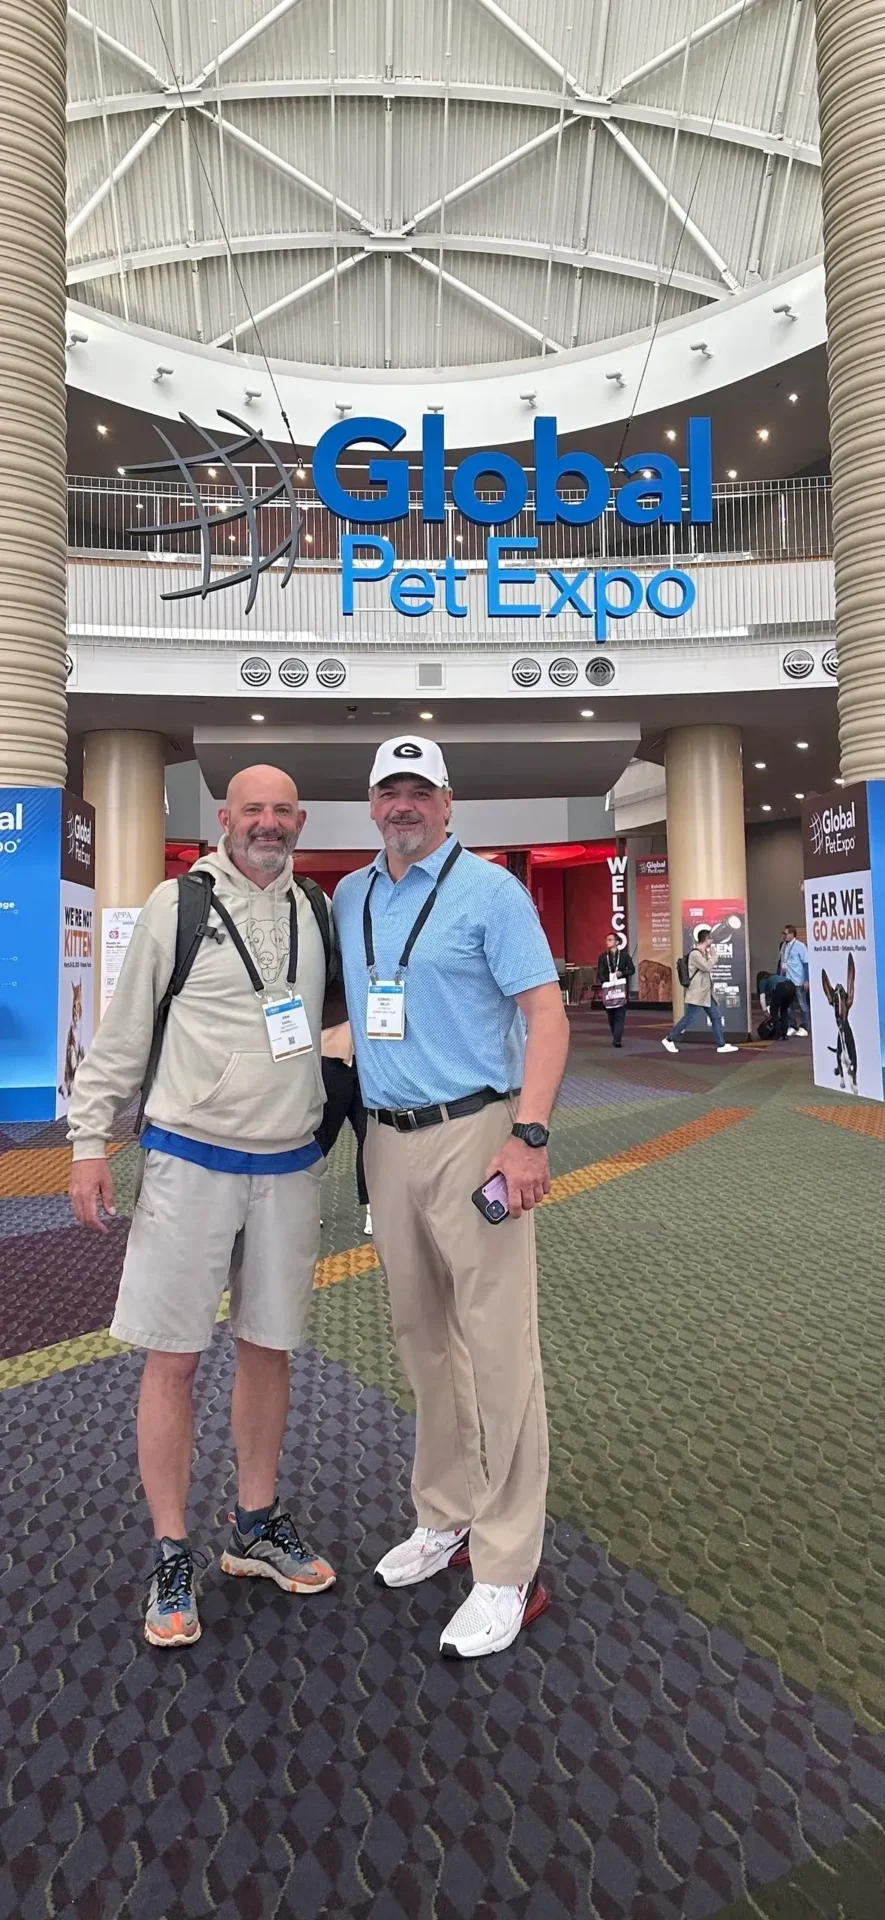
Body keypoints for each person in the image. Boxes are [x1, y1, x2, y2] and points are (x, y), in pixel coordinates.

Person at [67, 766, 336, 1649]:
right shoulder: (175, 905)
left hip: (290, 1166)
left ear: (298, 821)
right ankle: (171, 1549)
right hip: (188, 1160)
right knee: (173, 1359)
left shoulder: (316, 910)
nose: (267, 823)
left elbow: (323, 1027)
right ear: (226, 819)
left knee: (269, 1348)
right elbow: (122, 1031)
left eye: (280, 811)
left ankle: (255, 1524)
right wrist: (87, 1144)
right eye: (250, 809)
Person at [333, 736, 570, 1661]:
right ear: (371, 803)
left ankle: (507, 1567)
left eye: (418, 790)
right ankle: (446, 1512)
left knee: (499, 1344)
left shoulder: (489, 893)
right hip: (386, 1142)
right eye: (389, 790)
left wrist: (530, 1134)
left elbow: (545, 1014)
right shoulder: (351, 896)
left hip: (478, 1135)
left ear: (447, 801)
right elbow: (358, 1016)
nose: (403, 805)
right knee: (422, 1338)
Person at [316, 1020, 371, 1234]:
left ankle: (373, 1210)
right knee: (321, 1138)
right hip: (330, 1055)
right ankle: (308, 1206)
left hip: (370, 1059)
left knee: (370, 1139)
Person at [662, 928, 739, 1055]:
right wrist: (714, 956)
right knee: (689, 1018)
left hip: (706, 993)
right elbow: (707, 966)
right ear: (707, 939)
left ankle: (721, 1044)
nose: (712, 941)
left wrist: (710, 955)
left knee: (716, 1016)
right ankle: (669, 1039)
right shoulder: (695, 954)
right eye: (711, 938)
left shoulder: (702, 953)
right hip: (698, 992)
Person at [596, 933, 635, 1047]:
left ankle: (617, 1039)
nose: (607, 942)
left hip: (620, 988)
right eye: (607, 940)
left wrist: (621, 973)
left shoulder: (624, 955)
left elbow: (632, 969)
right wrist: (605, 981)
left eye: (610, 939)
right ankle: (615, 1034)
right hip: (608, 988)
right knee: (611, 1014)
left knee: (620, 1013)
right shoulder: (603, 956)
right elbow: (600, 972)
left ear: (617, 942)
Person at [780, 925, 810, 1035]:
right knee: (788, 1004)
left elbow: (806, 963)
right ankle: (792, 1025)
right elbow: (782, 962)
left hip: (798, 979)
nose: (784, 936)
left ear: (792, 934)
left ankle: (805, 1026)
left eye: (786, 933)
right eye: (783, 934)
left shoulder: (800, 946)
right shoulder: (784, 946)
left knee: (802, 1004)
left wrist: (806, 979)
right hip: (787, 980)